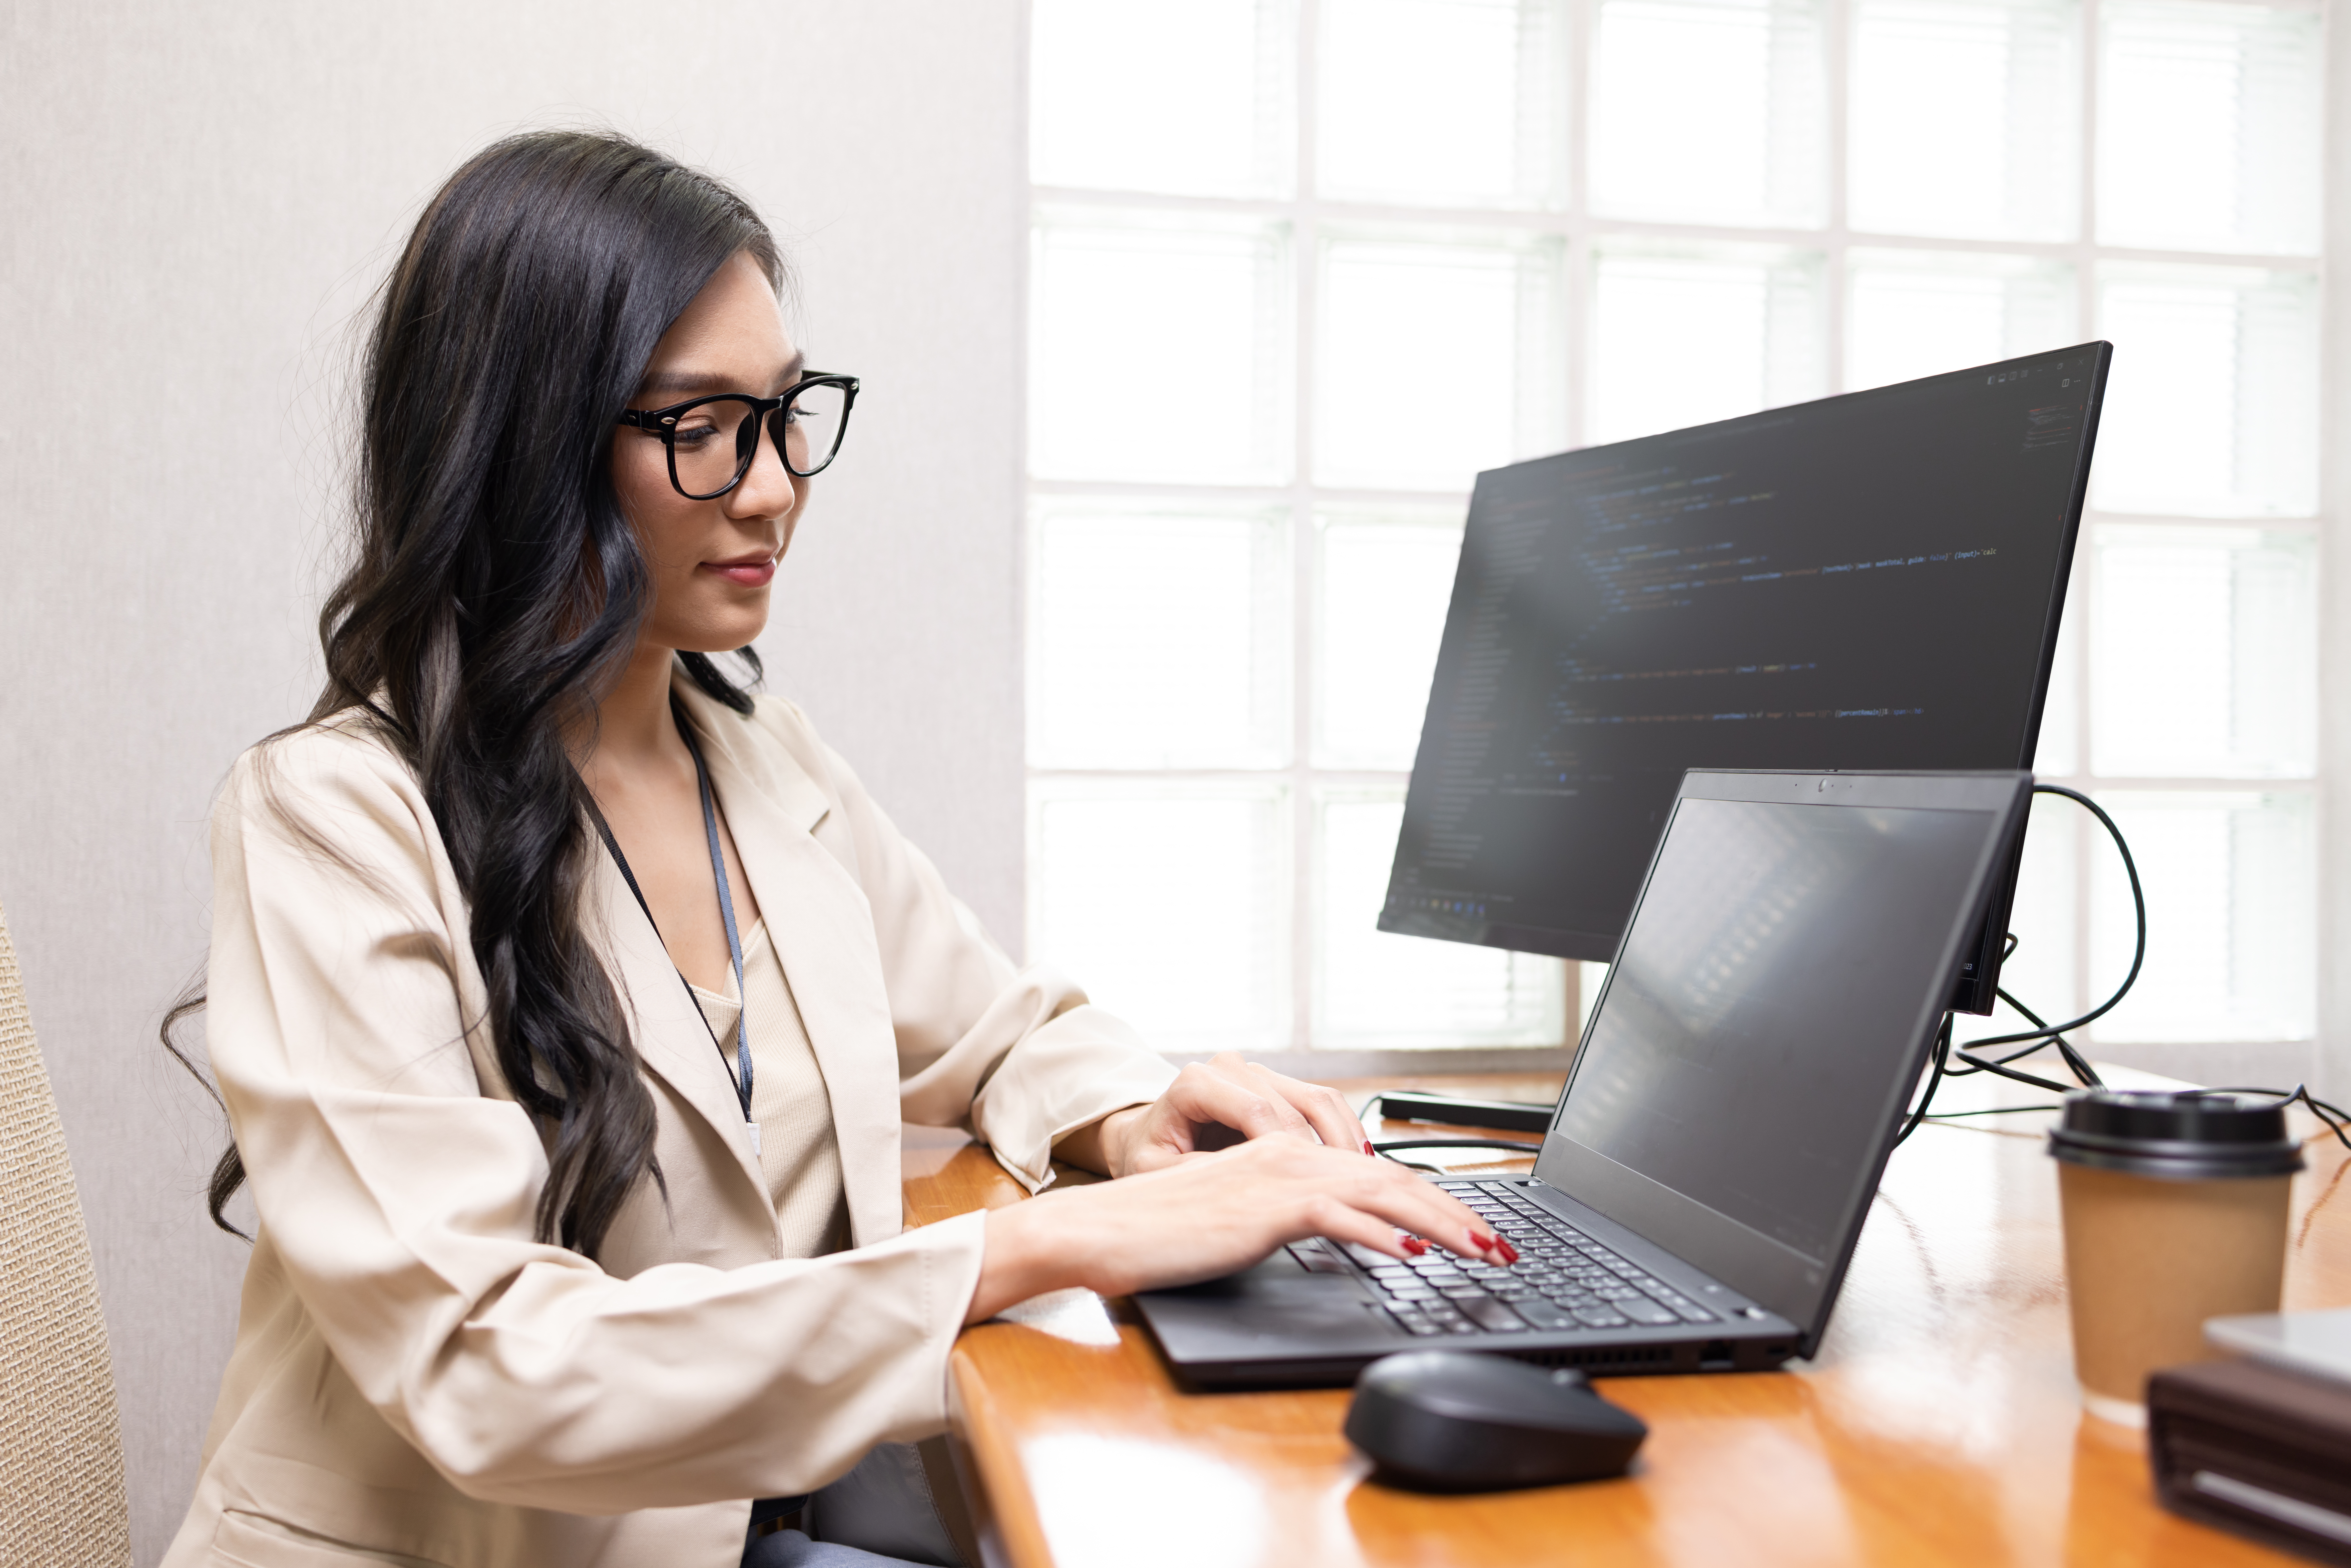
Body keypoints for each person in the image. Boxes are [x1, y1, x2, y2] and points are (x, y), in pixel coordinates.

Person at [163, 132, 1505, 1568]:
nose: (773, 487)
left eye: (786, 413)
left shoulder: (762, 760)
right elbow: (489, 1364)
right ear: (522, 442)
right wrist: (1051, 1245)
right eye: (702, 426)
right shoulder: (332, 818)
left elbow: (998, 1031)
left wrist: (1136, 1117)